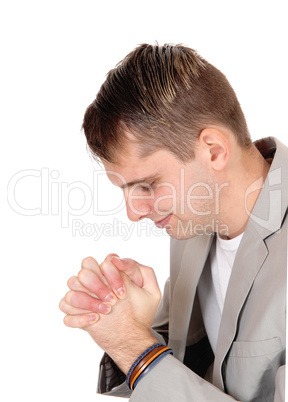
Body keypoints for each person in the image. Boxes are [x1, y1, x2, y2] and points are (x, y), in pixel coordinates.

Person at [59, 44, 287, 401]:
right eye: (125, 189)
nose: (133, 213)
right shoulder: (194, 222)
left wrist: (137, 351)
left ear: (214, 150)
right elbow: (202, 362)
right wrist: (133, 322)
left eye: (147, 185)